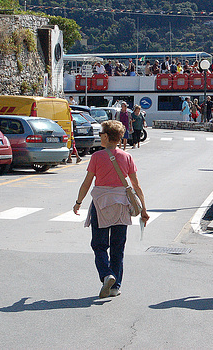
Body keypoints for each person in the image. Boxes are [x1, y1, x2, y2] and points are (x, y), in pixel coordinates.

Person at [73, 120, 149, 298]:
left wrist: (78, 202)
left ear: (106, 136)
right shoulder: (127, 157)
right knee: (118, 246)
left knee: (99, 245)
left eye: (100, 134)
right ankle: (116, 286)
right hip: (122, 205)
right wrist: (144, 209)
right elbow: (136, 186)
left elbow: (87, 183)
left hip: (101, 204)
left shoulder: (97, 157)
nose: (100, 136)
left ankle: (107, 274)